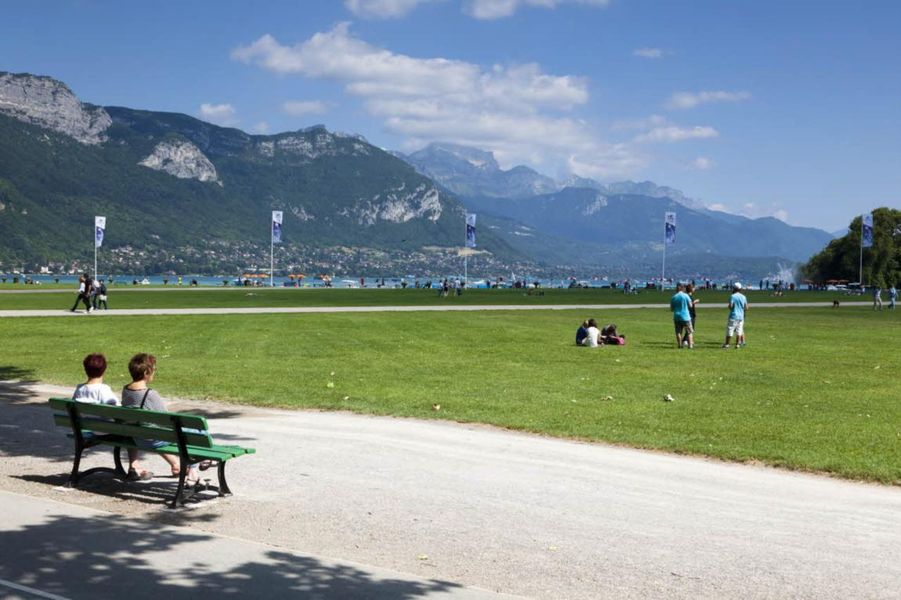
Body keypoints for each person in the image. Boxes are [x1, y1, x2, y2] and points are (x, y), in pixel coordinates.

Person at [121, 353, 206, 483]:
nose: (154, 371)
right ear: (146, 373)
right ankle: (195, 467)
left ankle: (178, 465)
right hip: (152, 439)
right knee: (198, 430)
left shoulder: (126, 390)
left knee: (153, 430)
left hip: (137, 438)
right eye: (153, 369)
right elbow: (167, 420)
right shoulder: (151, 395)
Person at [723, 282, 749, 349]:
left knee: (730, 330)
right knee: (739, 331)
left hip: (733, 315)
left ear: (734, 288)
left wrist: (730, 306)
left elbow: (730, 306)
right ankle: (737, 344)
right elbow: (746, 307)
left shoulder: (733, 296)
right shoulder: (743, 297)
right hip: (741, 316)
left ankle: (727, 344)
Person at [670, 284, 694, 348]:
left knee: (678, 332)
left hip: (677, 316)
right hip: (685, 316)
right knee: (689, 331)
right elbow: (690, 305)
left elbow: (672, 309)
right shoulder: (685, 296)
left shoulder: (674, 297)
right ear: (683, 289)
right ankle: (690, 345)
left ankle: (680, 345)